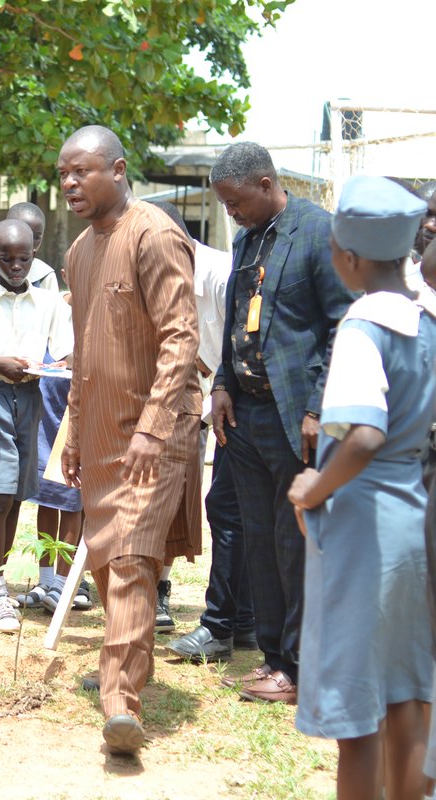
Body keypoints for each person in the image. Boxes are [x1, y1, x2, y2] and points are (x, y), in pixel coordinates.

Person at [57, 125, 201, 754]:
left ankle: (120, 704)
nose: (69, 184)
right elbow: (85, 350)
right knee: (108, 554)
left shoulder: (155, 232)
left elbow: (181, 338)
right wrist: (72, 430)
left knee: (133, 558)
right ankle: (122, 667)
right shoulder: (79, 251)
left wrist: (151, 425)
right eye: (63, 173)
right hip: (99, 431)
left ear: (117, 171)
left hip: (155, 432)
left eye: (81, 171)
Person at [287, 176, 432, 800]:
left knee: (355, 709)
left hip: (364, 524)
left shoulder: (362, 327)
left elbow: (364, 436)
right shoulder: (427, 323)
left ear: (346, 257)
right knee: (408, 694)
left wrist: (313, 489)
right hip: (415, 521)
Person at [209, 142, 355, 704]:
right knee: (260, 539)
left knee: (294, 544)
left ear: (267, 184)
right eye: (225, 204)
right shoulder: (247, 240)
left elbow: (344, 324)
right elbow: (235, 327)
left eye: (237, 201)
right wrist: (222, 384)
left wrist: (320, 407)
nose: (231, 214)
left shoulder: (319, 233)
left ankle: (300, 666)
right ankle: (273, 659)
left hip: (298, 415)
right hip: (245, 415)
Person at [147, 201, 258, 664]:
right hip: (202, 398)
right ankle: (242, 622)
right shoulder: (154, 267)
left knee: (233, 510)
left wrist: (215, 380)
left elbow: (239, 336)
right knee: (230, 510)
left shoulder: (217, 270)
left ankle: (228, 624)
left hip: (235, 398)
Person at [0, 219, 71, 634]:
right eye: (6, 258)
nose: (15, 266)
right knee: (1, 493)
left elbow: (66, 354)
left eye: (23, 258)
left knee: (17, 497)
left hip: (31, 399)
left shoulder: (47, 304)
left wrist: (56, 366)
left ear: (34, 255)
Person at [4, 201, 59, 292]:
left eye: (36, 237)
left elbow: (53, 305)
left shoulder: (44, 275)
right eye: (22, 234)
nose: (28, 242)